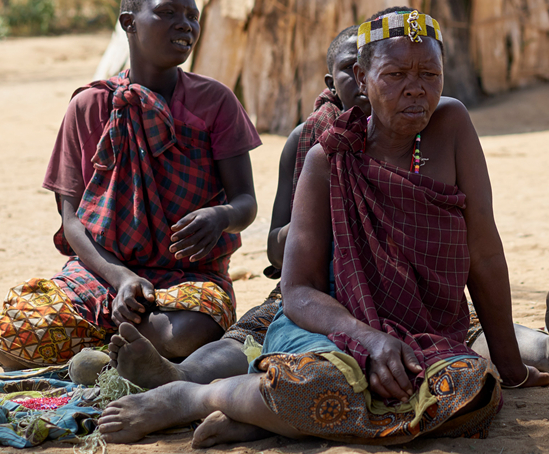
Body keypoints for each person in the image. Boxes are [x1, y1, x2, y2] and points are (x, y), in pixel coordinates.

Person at [98, 9, 549, 447]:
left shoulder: (451, 125)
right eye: (395, 76)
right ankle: (197, 397)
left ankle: (261, 415)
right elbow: (298, 290)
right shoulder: (327, 158)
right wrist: (366, 340)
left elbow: (484, 253)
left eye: (429, 74)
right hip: (329, 333)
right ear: (362, 79)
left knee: (470, 389)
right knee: (325, 383)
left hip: (425, 335)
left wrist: (510, 369)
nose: (416, 89)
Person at [0, 0, 260, 370]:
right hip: (100, 271)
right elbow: (71, 218)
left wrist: (222, 216)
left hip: (188, 276)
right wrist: (120, 279)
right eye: (167, 12)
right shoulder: (90, 105)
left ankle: (108, 343)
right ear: (128, 23)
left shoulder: (214, 101)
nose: (185, 24)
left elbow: (246, 202)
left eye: (192, 16)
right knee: (17, 339)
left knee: (186, 333)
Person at [106, 24, 368, 388]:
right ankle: (178, 375)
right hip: (316, 287)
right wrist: (324, 219)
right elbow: (278, 252)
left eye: (377, 67)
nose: (364, 79)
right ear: (331, 81)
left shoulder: (421, 141)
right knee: (256, 330)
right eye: (352, 68)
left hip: (397, 287)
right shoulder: (310, 142)